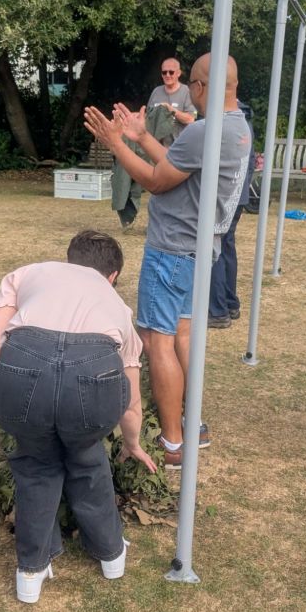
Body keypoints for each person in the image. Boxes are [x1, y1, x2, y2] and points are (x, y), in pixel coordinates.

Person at [85, 53, 251, 469]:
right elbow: (177, 163)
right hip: (200, 250)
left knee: (158, 340)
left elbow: (157, 182)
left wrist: (115, 144)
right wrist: (142, 137)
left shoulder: (205, 130)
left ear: (201, 86)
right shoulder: (236, 127)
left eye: (192, 83)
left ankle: (173, 442)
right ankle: (193, 424)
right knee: (183, 336)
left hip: (173, 250)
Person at [0, 230, 156, 604]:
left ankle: (31, 571)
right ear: (112, 275)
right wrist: (133, 444)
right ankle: (111, 555)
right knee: (87, 456)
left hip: (23, 369)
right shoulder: (119, 309)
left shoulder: (25, 274)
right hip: (93, 377)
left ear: (69, 260)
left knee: (36, 464)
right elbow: (131, 402)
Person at [111, 58, 198, 228]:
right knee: (155, 189)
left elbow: (191, 119)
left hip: (178, 150)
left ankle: (175, 223)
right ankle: (149, 221)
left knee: (176, 191)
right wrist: (132, 118)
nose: (167, 75)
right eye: (164, 72)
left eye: (171, 72)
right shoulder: (157, 92)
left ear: (179, 73)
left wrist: (170, 110)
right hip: (155, 149)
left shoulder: (186, 92)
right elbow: (148, 118)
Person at [207, 99, 254, 328]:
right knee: (226, 247)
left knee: (214, 247)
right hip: (238, 194)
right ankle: (230, 303)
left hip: (223, 196)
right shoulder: (244, 119)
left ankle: (218, 311)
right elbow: (250, 162)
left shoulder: (224, 120)